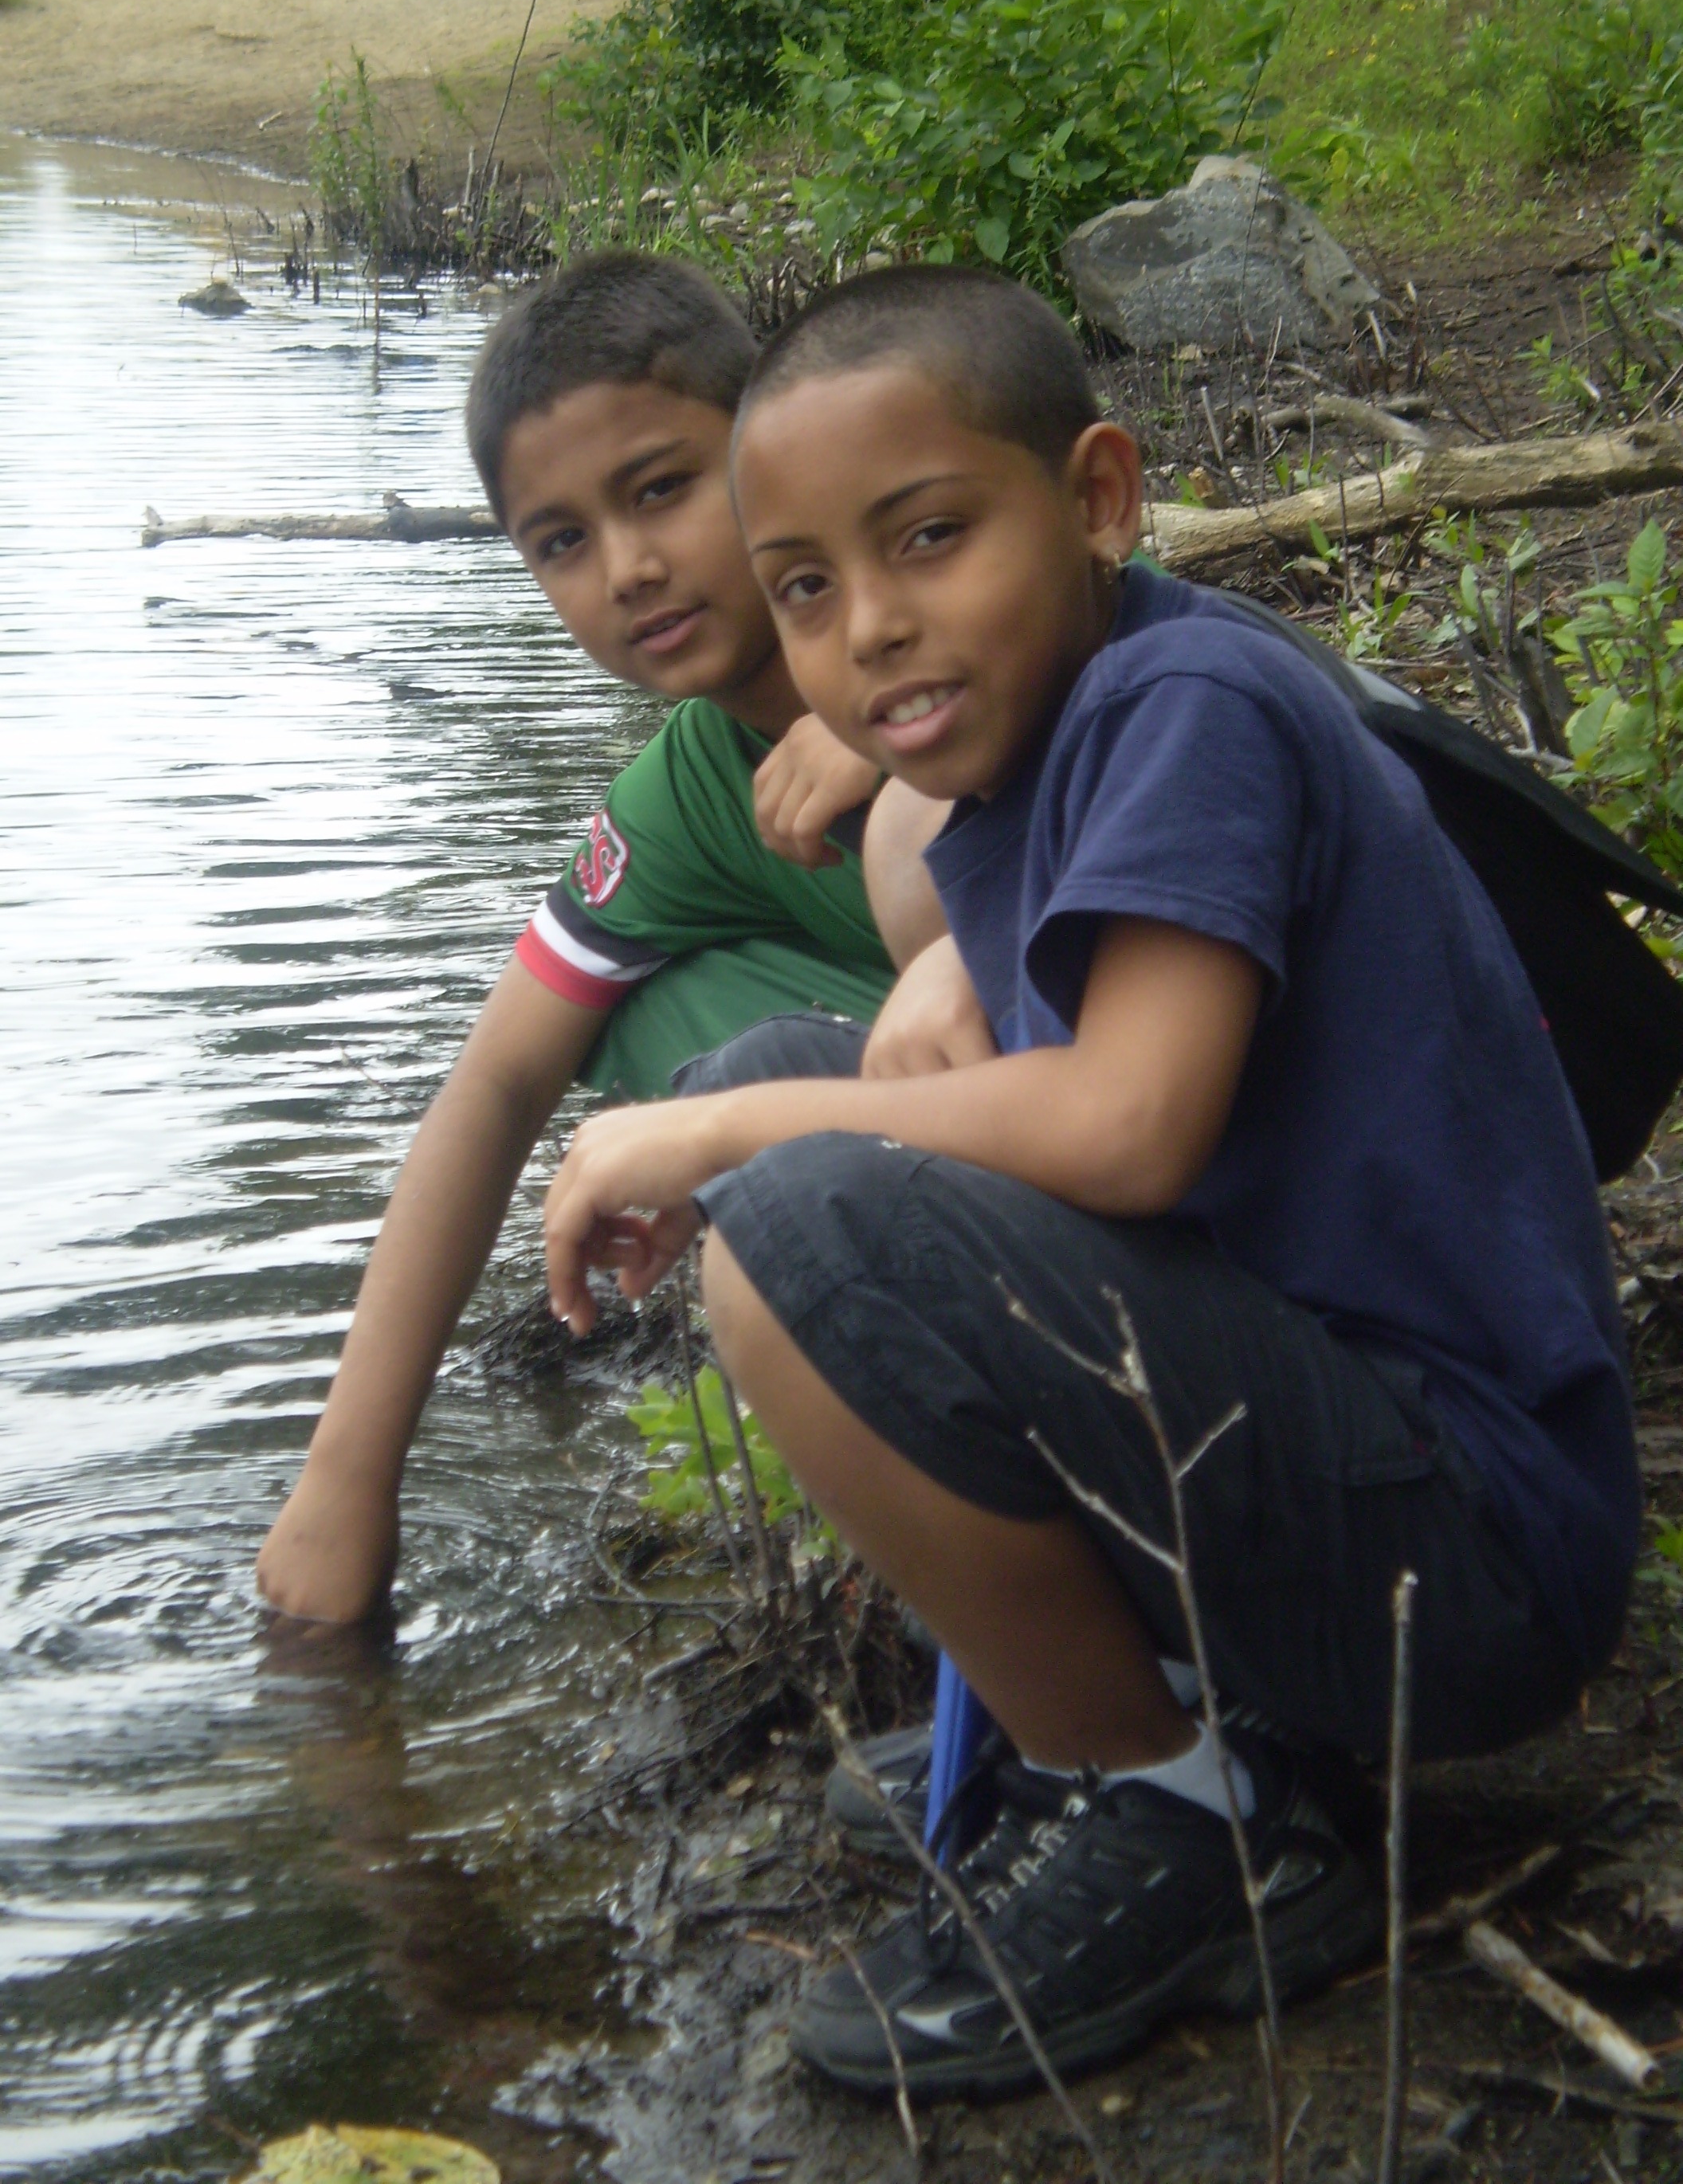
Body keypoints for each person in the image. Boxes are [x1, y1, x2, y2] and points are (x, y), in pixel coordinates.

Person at [538, 264, 1640, 2100]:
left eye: (932, 537)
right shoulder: (1070, 724)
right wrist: (816, 1073)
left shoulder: (1189, 697)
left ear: (1104, 499)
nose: (873, 628)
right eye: (808, 587)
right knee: (776, 1082)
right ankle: (1123, 1718)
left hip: (1466, 1560)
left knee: (793, 1187)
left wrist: (716, 1144)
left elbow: (1133, 1128)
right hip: (1324, 1445)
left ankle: (1190, 1811)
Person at [256, 253, 898, 1626]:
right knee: (641, 1012)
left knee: (738, 1065)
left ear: (770, 446)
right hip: (1006, 1094)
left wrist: (900, 751)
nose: (629, 568)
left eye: (662, 487)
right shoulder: (682, 795)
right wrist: (347, 1483)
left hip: (1198, 1117)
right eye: (560, 541)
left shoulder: (968, 611)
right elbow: (489, 1089)